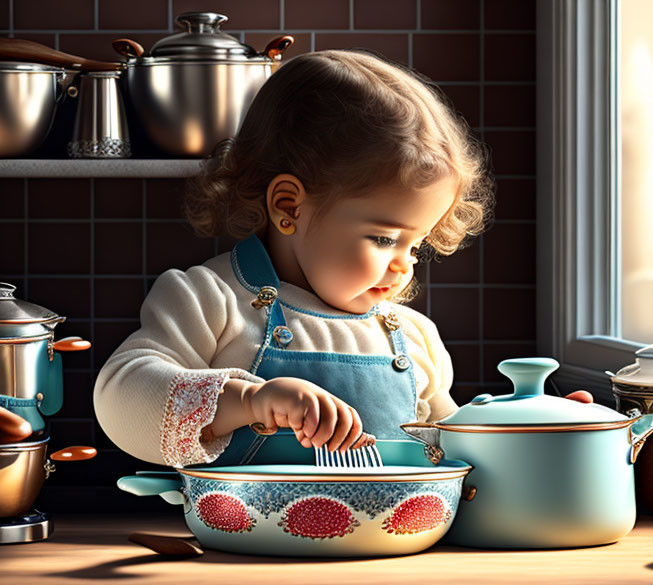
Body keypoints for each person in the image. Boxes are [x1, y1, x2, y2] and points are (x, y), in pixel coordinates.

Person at [94, 49, 590, 469]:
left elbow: (449, 449)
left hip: (395, 548)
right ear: (289, 207)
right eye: (382, 239)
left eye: (415, 245)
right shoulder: (211, 299)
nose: (404, 266)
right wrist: (248, 401)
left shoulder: (411, 335)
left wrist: (533, 427)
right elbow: (120, 398)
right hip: (250, 549)